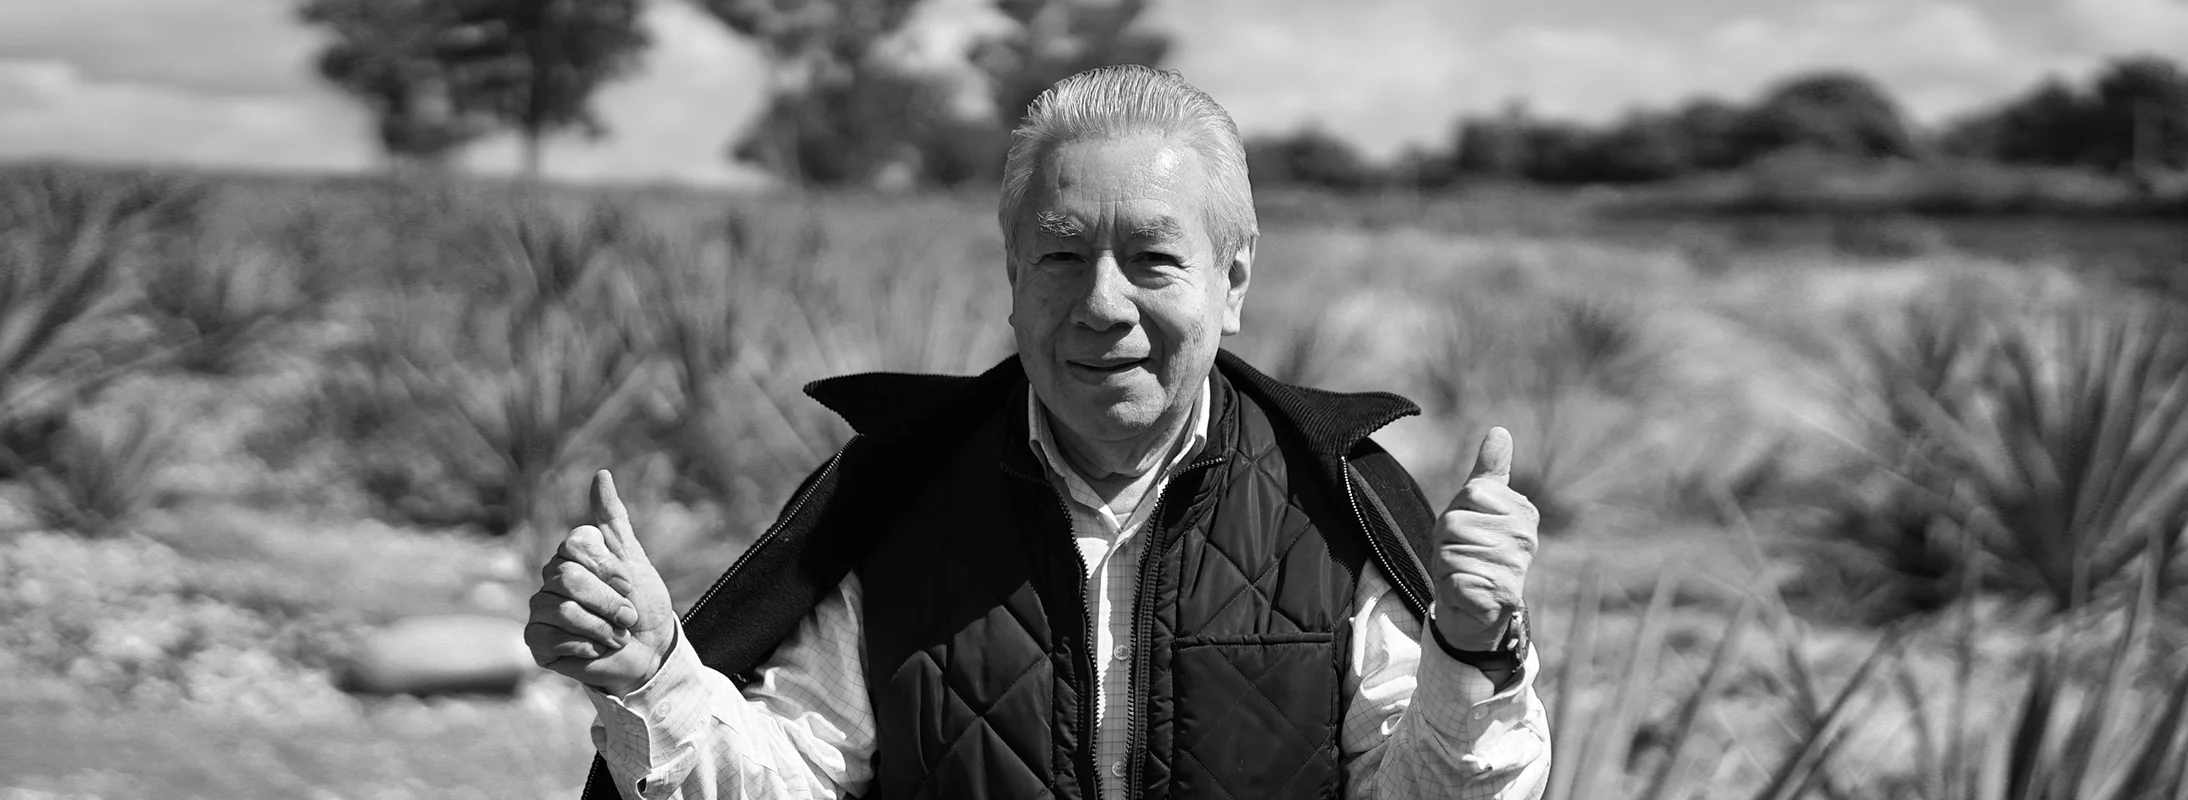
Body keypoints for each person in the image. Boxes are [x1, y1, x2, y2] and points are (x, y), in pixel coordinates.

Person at [523, 64, 1550, 800]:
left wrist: (1470, 644)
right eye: (1061, 258)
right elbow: (791, 778)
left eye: (1153, 257)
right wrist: (654, 673)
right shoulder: (898, 496)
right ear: (1014, 280)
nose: (1103, 304)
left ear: (1231, 282)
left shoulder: (1336, 503)